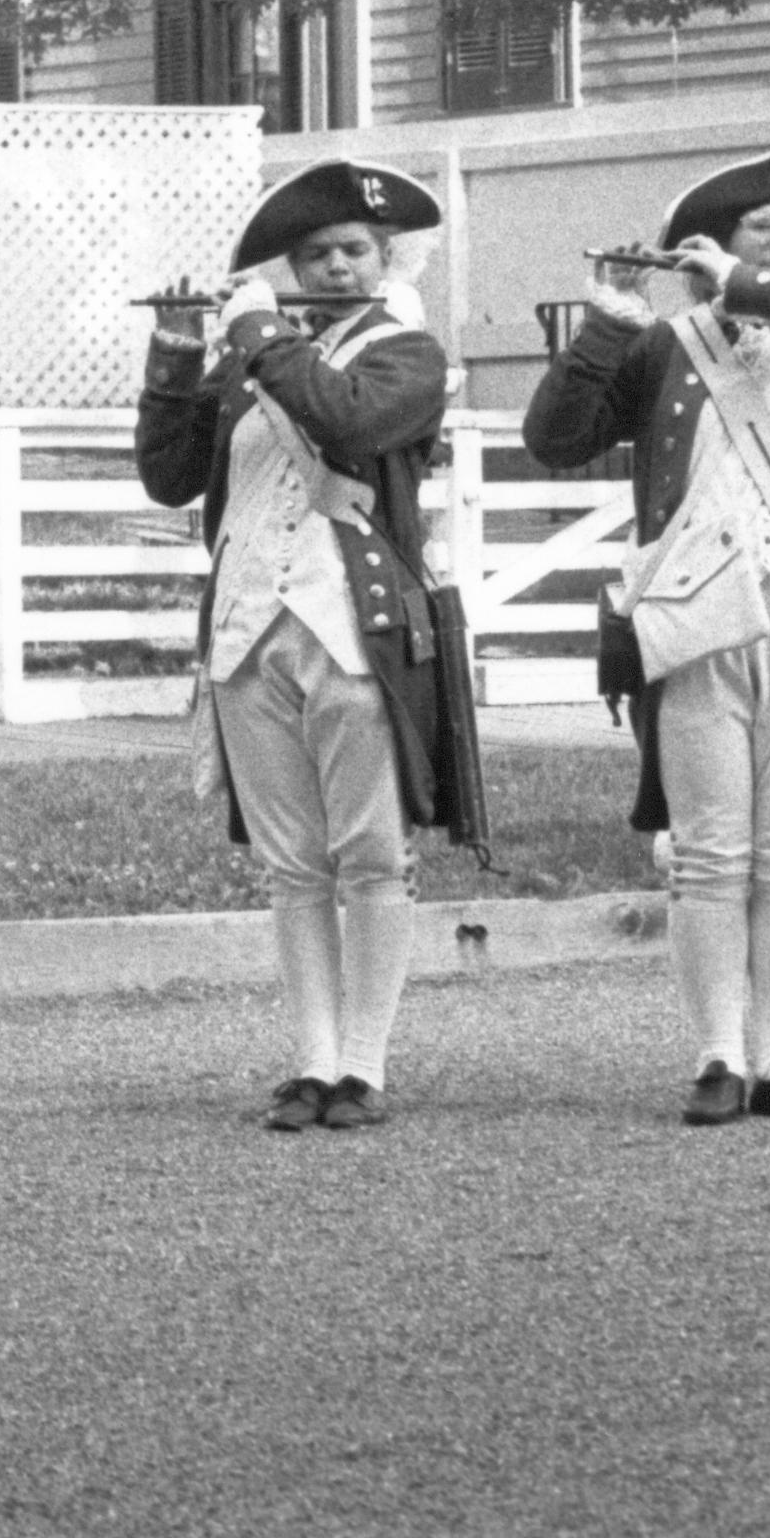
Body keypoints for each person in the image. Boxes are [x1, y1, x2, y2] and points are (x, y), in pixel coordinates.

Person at [526, 145, 770, 1125]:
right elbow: (556, 436)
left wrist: (755, 283)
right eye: (760, 232)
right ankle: (718, 1055)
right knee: (707, 854)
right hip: (694, 618)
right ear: (708, 247)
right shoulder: (663, 345)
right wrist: (611, 318)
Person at [135, 158, 485, 1133]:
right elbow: (168, 480)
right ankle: (313, 1059)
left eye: (351, 252)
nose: (332, 268)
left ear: (385, 259)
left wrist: (252, 334)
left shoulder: (407, 353)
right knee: (294, 864)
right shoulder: (253, 361)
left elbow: (350, 419)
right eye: (314, 254)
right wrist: (173, 354)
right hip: (251, 631)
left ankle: (363, 1066)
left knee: (372, 854)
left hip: (355, 628)